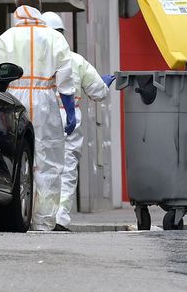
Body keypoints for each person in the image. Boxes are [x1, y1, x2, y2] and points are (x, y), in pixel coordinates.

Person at [0, 0, 76, 232]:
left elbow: (1, 75)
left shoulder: (6, 37)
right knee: (48, 162)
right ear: (39, 8)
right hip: (45, 101)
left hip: (15, 100)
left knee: (17, 157)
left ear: (16, 8)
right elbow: (65, 76)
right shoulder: (54, 38)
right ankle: (44, 221)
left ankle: (18, 214)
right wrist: (69, 111)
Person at [41, 12, 116, 231]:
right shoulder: (75, 60)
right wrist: (104, 83)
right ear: (62, 33)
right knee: (67, 169)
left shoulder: (35, 61)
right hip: (68, 119)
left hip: (42, 118)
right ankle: (60, 218)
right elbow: (98, 92)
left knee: (41, 167)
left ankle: (40, 215)